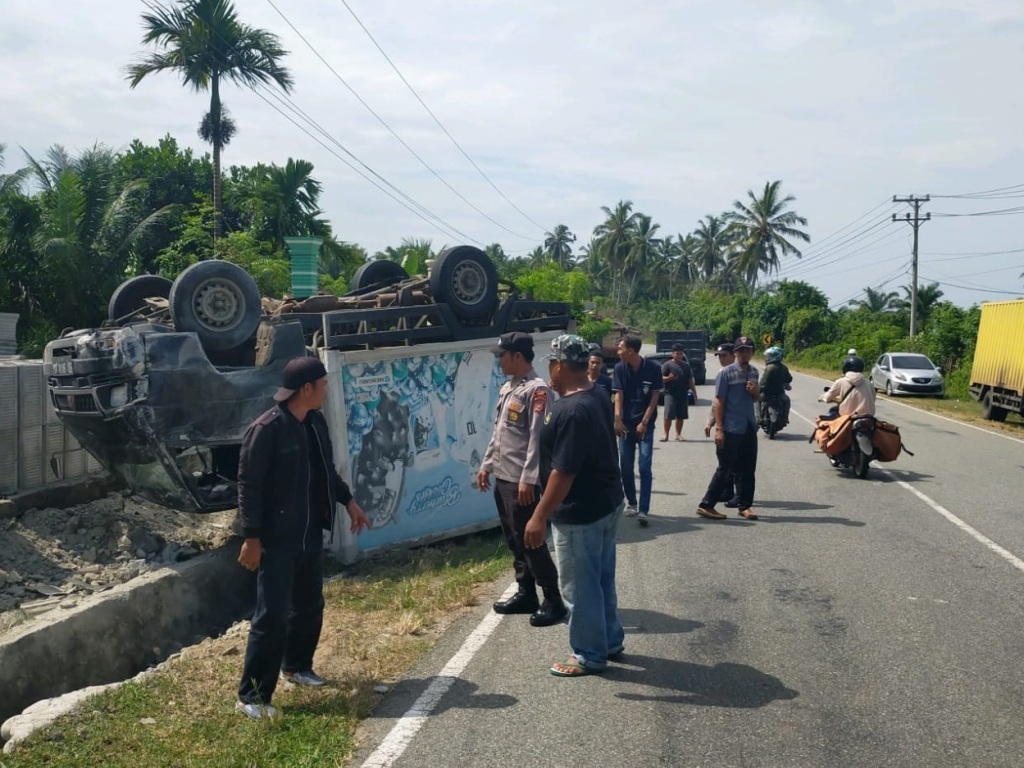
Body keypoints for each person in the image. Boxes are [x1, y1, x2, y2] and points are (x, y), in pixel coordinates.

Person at [236, 356, 371, 720]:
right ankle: (252, 696)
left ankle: (296, 667)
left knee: (309, 606)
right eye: (323, 385)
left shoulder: (314, 422)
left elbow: (326, 471)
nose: (327, 390)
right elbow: (249, 488)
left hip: (309, 533)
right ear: (306, 389)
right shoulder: (265, 430)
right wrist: (252, 538)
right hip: (277, 540)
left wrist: (348, 501)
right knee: (272, 616)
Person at [523, 334, 625, 677]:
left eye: (551, 363)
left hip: (580, 512)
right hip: (606, 502)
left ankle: (589, 654)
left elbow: (563, 473)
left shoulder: (573, 409)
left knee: (579, 586)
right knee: (600, 579)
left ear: (560, 365)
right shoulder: (595, 393)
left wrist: (539, 517)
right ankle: (609, 640)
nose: (548, 370)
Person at [477, 332, 566, 627]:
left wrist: (529, 479)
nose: (498, 360)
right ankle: (526, 592)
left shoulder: (537, 390)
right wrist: (486, 465)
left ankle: (553, 599)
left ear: (517, 356)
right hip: (503, 476)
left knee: (531, 541)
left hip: (520, 482)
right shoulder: (509, 388)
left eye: (501, 355)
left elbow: (537, 439)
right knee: (514, 540)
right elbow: (499, 432)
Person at [696, 336, 760, 522]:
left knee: (748, 469)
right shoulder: (726, 373)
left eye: (747, 350)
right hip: (731, 427)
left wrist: (755, 392)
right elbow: (718, 401)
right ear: (735, 353)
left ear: (752, 352)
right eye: (740, 351)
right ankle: (706, 505)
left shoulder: (754, 372)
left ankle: (745, 506)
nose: (744, 354)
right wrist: (719, 428)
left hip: (748, 426)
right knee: (725, 468)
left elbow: (756, 399)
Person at [612, 336, 663, 527]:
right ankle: (632, 503)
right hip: (625, 425)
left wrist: (644, 422)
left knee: (644, 465)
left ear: (631, 351)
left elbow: (655, 397)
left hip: (645, 425)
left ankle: (643, 509)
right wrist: (617, 419)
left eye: (620, 348)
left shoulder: (653, 368)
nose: (618, 352)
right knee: (625, 467)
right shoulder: (619, 369)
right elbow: (619, 395)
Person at [704, 343, 738, 507]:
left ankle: (739, 495)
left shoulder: (741, 372)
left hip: (737, 424)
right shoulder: (721, 373)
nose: (721, 359)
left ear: (733, 355)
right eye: (719, 356)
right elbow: (717, 401)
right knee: (724, 460)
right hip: (724, 423)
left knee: (736, 462)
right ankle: (728, 491)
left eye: (725, 355)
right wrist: (711, 421)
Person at [661, 343, 699, 442]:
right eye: (677, 354)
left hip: (683, 393)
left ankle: (678, 434)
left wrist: (694, 392)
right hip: (670, 393)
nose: (679, 356)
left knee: (681, 415)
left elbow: (690, 380)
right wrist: (669, 378)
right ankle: (665, 434)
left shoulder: (686, 366)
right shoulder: (667, 365)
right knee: (668, 414)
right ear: (673, 354)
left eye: (681, 354)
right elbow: (661, 378)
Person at [759, 346, 793, 427]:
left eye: (769, 356)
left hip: (767, 394)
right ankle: (785, 418)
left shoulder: (769, 368)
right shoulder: (784, 367)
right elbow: (789, 378)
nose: (767, 357)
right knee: (787, 401)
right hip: (779, 394)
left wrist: (758, 390)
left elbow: (763, 383)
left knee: (757, 401)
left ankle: (758, 418)